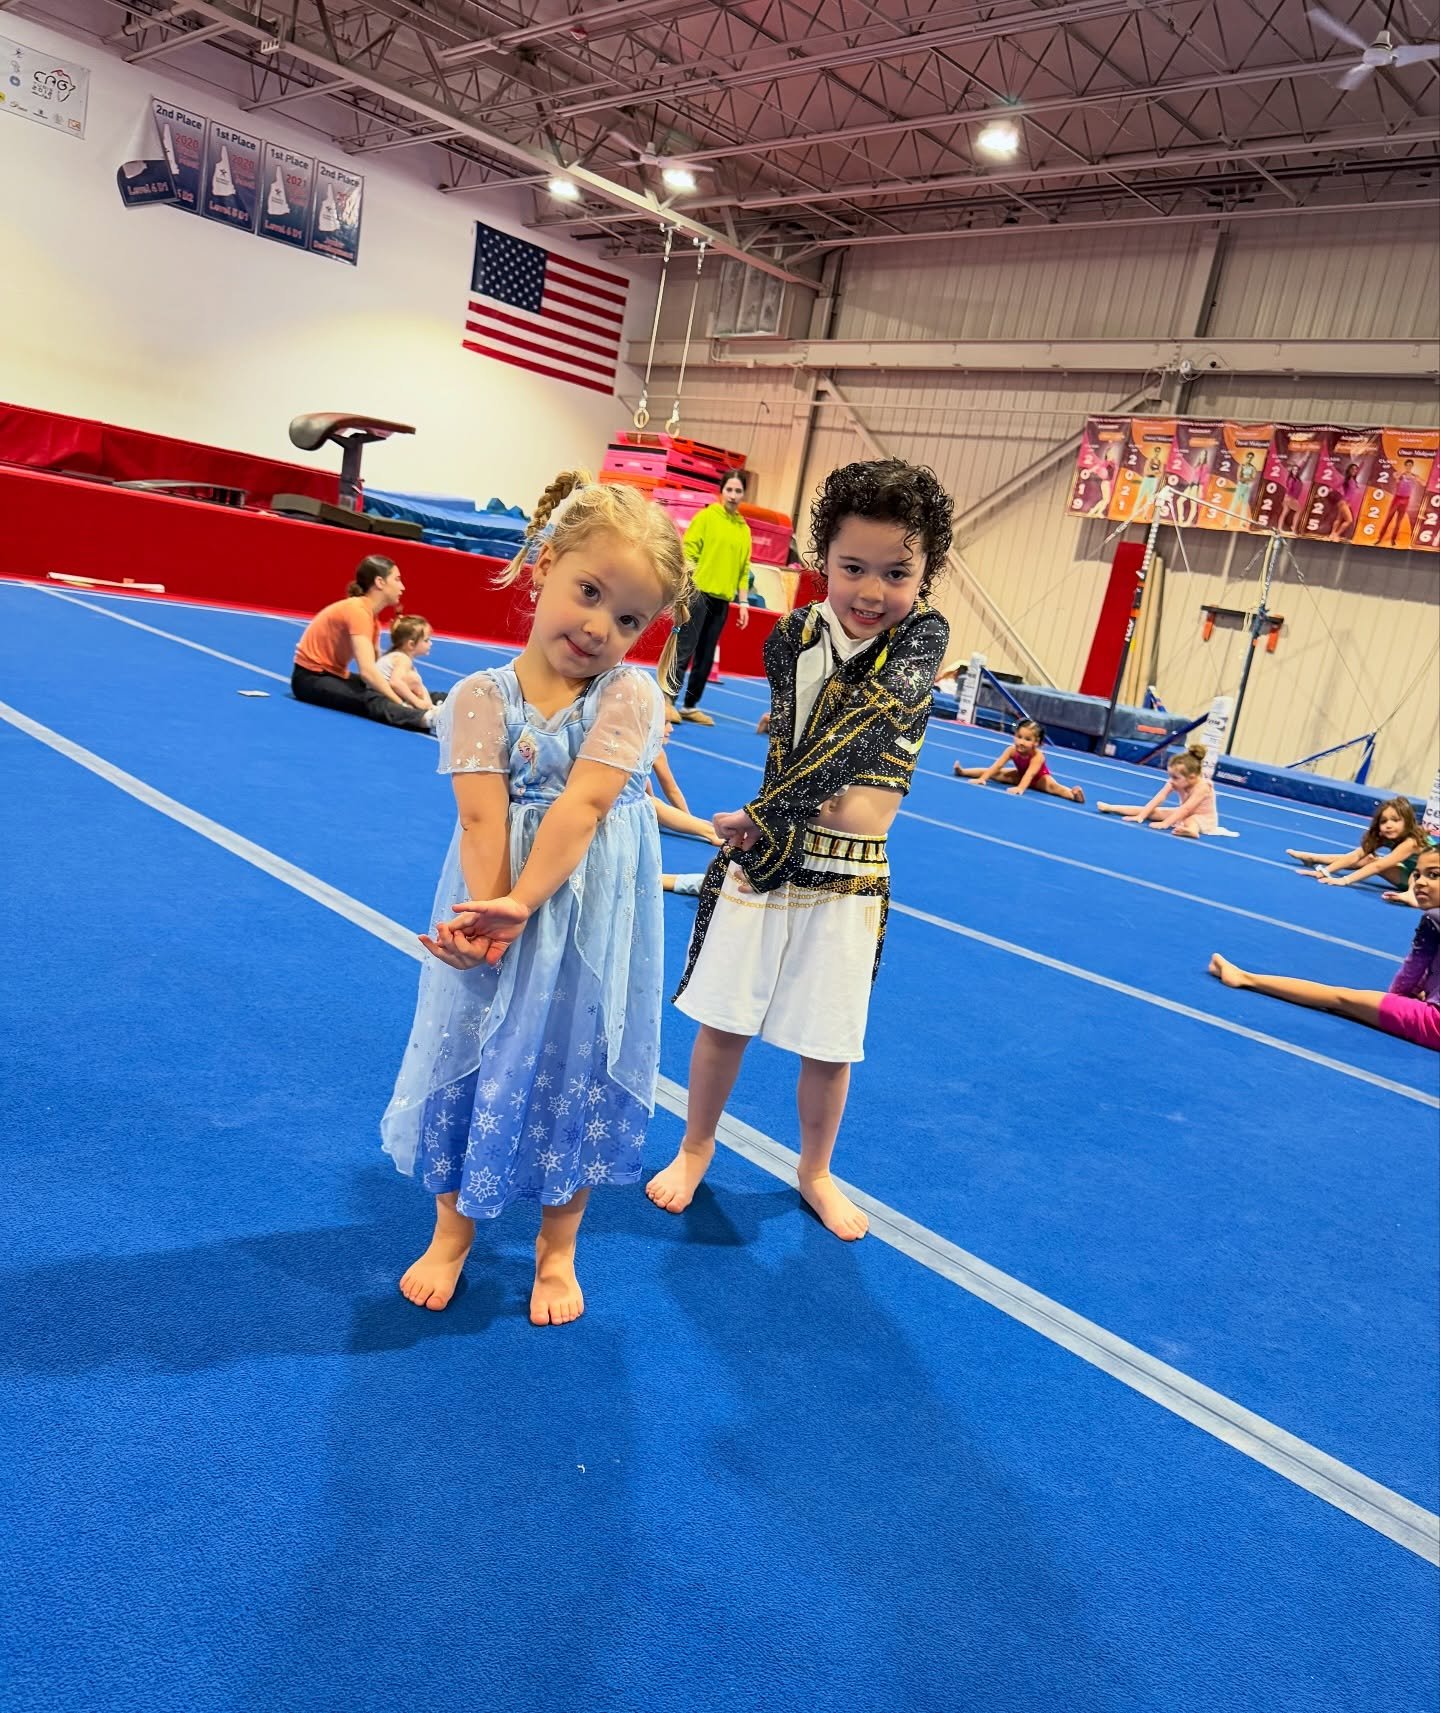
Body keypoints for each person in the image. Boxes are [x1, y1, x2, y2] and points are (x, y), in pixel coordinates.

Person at [379, 471, 690, 1325]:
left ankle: (559, 1248)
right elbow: (481, 818)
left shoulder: (630, 692)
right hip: (499, 905)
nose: (600, 628)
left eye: (629, 619)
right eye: (588, 593)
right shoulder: (479, 697)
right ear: (543, 564)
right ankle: (452, 1231)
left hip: (588, 916)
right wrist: (489, 920)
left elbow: (586, 805)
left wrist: (525, 903)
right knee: (472, 1048)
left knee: (573, 1063)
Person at [646, 458, 954, 1240]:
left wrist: (768, 807)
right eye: (852, 568)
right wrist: (774, 814)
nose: (871, 591)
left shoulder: (923, 640)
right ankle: (696, 1144)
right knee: (724, 1020)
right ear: (822, 562)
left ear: (926, 574)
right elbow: (796, 746)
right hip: (769, 857)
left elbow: (860, 737)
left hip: (846, 880)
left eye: (896, 572)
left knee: (830, 1042)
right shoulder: (791, 636)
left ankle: (814, 1167)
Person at [1208, 845, 1440, 1051]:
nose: (1420, 882)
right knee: (1355, 1009)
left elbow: (1410, 972)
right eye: (1417, 874)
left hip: (1435, 1024)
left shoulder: (1433, 919)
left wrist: (1395, 1000)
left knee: (1339, 998)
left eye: (1434, 875)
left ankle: (1244, 978)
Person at [291, 555, 433, 732]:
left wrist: (406, 687)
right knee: (371, 698)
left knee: (392, 687)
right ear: (380, 582)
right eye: (397, 580)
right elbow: (367, 673)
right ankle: (427, 720)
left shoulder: (370, 617)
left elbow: (377, 669)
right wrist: (401, 703)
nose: (402, 587)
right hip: (310, 678)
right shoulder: (358, 611)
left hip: (333, 674)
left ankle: (442, 700)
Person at [664, 469, 751, 725]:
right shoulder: (706, 518)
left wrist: (743, 602)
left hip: (722, 599)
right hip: (698, 592)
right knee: (685, 647)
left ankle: (691, 705)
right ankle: (668, 699)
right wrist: (685, 586)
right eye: (729, 490)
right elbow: (689, 550)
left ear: (744, 494)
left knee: (706, 653)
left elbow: (744, 568)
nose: (733, 495)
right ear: (721, 491)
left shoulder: (743, 529)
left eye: (738, 491)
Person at [1285, 797, 1430, 890]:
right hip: (1412, 872)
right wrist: (1325, 871)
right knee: (1367, 858)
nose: (1388, 825)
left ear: (1408, 822)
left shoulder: (1412, 841)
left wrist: (1344, 880)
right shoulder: (1386, 836)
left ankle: (1411, 895)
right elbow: (1356, 855)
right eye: (1384, 821)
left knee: (1376, 862)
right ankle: (1313, 859)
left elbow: (1379, 866)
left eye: (1395, 820)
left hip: (1428, 881)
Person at [1096, 743, 1218, 837]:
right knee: (1155, 812)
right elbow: (1159, 798)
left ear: (1192, 777)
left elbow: (1186, 809)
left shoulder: (1203, 787)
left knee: (1191, 819)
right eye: (1170, 776)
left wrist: (1166, 823)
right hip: (1183, 814)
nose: (1171, 780)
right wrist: (1141, 816)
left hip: (1204, 819)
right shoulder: (1177, 781)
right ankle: (1111, 807)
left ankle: (1191, 831)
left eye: (1175, 777)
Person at [952, 719, 1085, 803]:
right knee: (995, 773)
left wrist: (1020, 788)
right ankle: (963, 772)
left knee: (1055, 788)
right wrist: (983, 778)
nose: (1021, 742)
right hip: (1019, 774)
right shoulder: (1011, 750)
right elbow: (997, 765)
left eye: (1027, 739)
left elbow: (1031, 774)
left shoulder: (1038, 756)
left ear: (1036, 742)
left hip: (1040, 779)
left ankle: (1074, 795)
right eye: (1019, 737)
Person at [376, 613, 443, 716]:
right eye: (426, 640)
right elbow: (395, 683)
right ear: (411, 644)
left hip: (380, 692)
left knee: (414, 679)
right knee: (413, 678)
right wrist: (418, 703)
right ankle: (428, 708)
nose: (430, 643)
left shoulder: (397, 656)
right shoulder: (403, 659)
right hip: (381, 695)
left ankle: (429, 706)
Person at [1378, 459, 1420, 547]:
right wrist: (1403, 474)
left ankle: (1393, 540)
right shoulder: (1401, 475)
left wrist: (1415, 477)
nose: (1409, 467)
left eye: (1410, 465)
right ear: (1405, 466)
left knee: (1398, 522)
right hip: (1397, 499)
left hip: (1406, 500)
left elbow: (1423, 483)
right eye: (1407, 465)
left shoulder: (1414, 476)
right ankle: (1379, 538)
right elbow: (1395, 476)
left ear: (1412, 466)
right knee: (1388, 519)